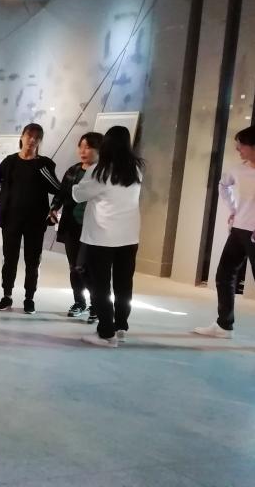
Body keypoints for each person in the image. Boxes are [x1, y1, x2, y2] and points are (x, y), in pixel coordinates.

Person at [73, 126, 144, 348]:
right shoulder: (136, 169)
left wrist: (80, 179)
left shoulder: (99, 171)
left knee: (100, 285)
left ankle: (106, 333)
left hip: (101, 237)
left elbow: (78, 194)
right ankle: (121, 327)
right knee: (124, 284)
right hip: (129, 236)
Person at [194, 126, 255, 339]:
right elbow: (223, 185)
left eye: (241, 145)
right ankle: (224, 325)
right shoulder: (238, 170)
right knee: (224, 275)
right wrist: (233, 209)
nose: (238, 149)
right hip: (239, 229)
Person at [0, 123, 60, 314]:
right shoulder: (9, 162)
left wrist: (54, 209)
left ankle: (29, 297)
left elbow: (58, 189)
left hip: (35, 221)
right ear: (22, 137)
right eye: (29, 135)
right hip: (11, 219)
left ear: (40, 141)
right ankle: (7, 295)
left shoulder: (44, 164)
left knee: (32, 261)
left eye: (37, 137)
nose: (32, 140)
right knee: (9, 258)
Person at [49, 132, 102, 321]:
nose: (83, 151)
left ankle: (96, 305)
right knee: (74, 266)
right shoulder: (73, 170)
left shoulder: (103, 173)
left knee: (90, 267)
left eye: (88, 147)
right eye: (81, 146)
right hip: (72, 224)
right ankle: (79, 301)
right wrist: (54, 208)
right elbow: (62, 193)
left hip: (94, 227)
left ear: (99, 149)